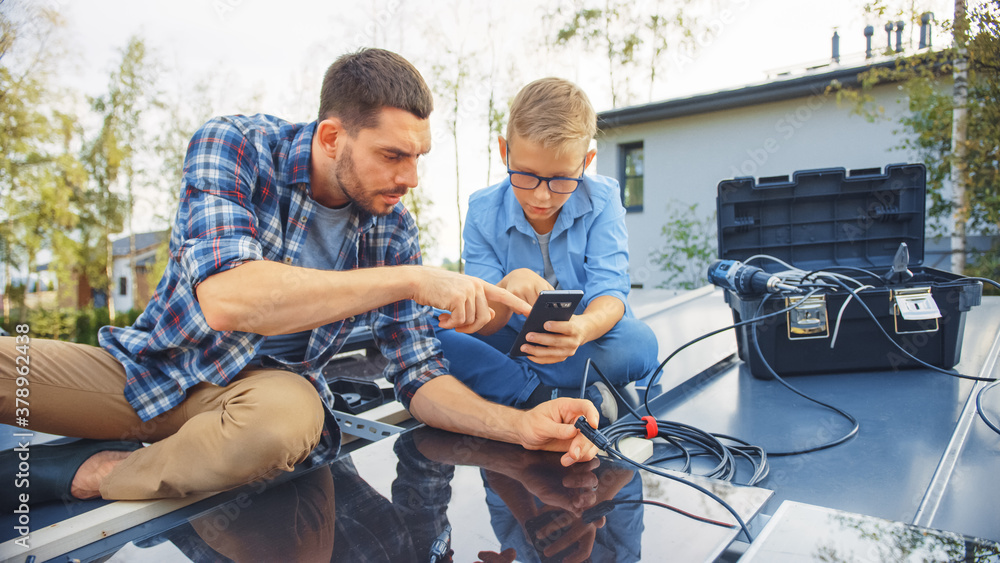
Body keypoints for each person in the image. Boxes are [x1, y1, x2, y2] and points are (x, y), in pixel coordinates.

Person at [0, 49, 600, 511]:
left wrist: (520, 427)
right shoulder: (233, 146)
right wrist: (407, 281)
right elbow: (228, 297)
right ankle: (171, 454)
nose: (411, 177)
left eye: (419, 156)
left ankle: (94, 472)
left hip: (261, 400)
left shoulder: (391, 230)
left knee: (288, 422)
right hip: (155, 370)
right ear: (333, 136)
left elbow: (420, 377)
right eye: (393, 156)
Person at [434, 77, 659, 424]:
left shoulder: (603, 200)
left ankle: (519, 387)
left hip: (583, 339)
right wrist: (506, 285)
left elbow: (611, 294)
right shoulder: (481, 211)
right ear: (503, 150)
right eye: (525, 175)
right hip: (512, 337)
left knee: (640, 343)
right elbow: (485, 321)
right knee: (436, 337)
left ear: (586, 162)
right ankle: (552, 393)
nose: (541, 196)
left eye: (561, 179)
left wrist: (582, 329)